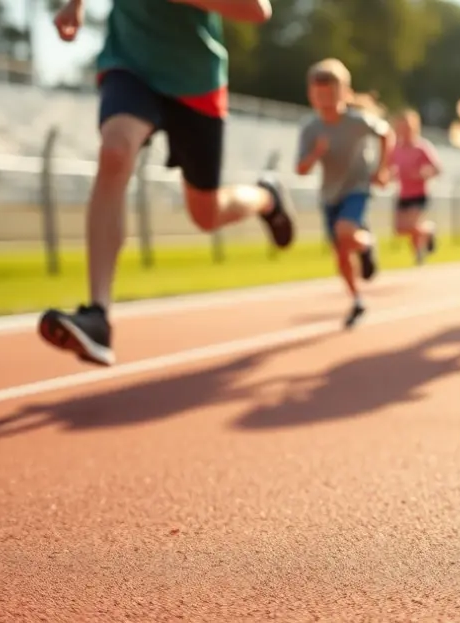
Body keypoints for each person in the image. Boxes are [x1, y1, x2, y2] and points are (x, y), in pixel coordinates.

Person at [37, 0, 296, 367]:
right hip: (130, 64)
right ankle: (98, 315)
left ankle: (266, 197)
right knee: (114, 152)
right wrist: (74, 6)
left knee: (206, 214)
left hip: (195, 81)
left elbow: (257, 9)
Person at [296, 58, 394, 329]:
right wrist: (316, 153)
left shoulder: (358, 121)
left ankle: (366, 246)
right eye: (319, 95)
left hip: (357, 188)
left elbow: (387, 134)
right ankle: (357, 299)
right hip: (329, 195)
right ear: (311, 96)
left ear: (345, 94)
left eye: (332, 94)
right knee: (340, 254)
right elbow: (301, 169)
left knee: (345, 231)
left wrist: (381, 169)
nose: (326, 101)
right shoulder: (310, 128)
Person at [388, 110, 440, 266]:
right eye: (400, 127)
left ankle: (419, 254)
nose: (403, 131)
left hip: (419, 193)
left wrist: (421, 174)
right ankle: (428, 232)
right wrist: (390, 176)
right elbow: (388, 169)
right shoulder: (395, 149)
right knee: (400, 229)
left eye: (407, 127)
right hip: (403, 193)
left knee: (411, 225)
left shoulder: (421, 147)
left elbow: (436, 169)